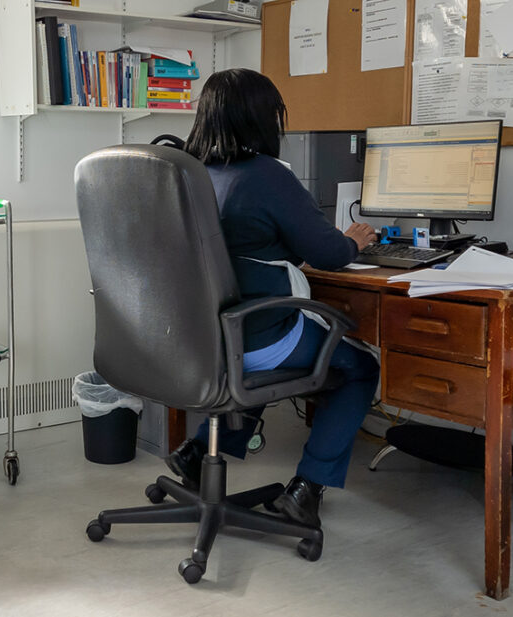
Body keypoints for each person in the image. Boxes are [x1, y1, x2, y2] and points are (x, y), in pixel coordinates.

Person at [164, 68, 380, 528]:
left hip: (193, 339)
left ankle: (197, 451)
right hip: (252, 333)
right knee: (360, 366)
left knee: (252, 349)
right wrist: (356, 240)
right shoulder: (266, 175)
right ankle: (307, 488)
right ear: (264, 119)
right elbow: (329, 255)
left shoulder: (190, 173)